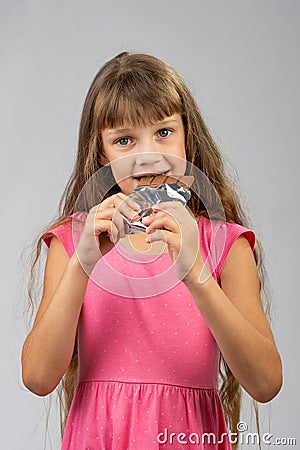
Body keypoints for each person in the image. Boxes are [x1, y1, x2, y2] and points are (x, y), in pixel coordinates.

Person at [21, 52, 282, 450]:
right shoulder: (73, 242)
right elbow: (38, 377)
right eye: (124, 140)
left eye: (163, 132)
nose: (147, 154)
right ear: (101, 153)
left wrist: (196, 272)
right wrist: (83, 265)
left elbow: (265, 384)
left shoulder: (225, 243)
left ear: (187, 137)